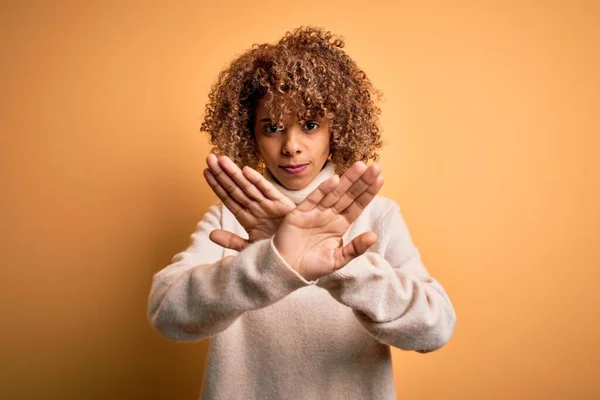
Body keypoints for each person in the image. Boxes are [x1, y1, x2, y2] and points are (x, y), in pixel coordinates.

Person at [147, 26, 456, 400]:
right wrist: (270, 261)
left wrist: (339, 266)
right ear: (251, 134)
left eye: (310, 125)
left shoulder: (379, 216)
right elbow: (167, 313)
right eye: (272, 128)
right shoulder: (230, 217)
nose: (291, 146)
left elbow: (435, 328)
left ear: (336, 130)